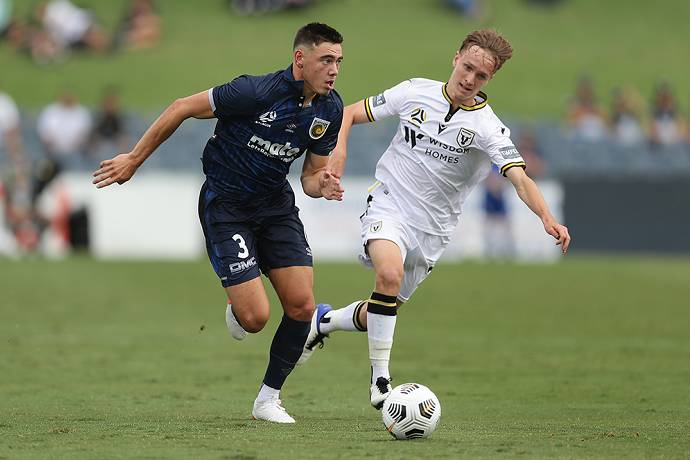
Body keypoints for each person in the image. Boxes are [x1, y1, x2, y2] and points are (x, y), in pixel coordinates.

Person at [297, 29, 571, 410]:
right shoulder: (415, 91)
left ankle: (323, 322)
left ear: (490, 80)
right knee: (388, 276)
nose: (470, 79)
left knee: (382, 306)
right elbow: (350, 113)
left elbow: (519, 177)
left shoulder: (488, 128)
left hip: (433, 231)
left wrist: (547, 217)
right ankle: (380, 380)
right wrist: (337, 152)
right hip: (389, 204)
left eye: (481, 76)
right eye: (468, 67)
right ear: (455, 58)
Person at [92, 23, 345, 423]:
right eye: (326, 60)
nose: (334, 69)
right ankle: (238, 303)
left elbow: (311, 176)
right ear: (301, 58)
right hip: (226, 205)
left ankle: (268, 400)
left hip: (276, 208)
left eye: (338, 62)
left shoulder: (330, 110)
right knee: (255, 318)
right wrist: (133, 160)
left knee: (301, 305)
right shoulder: (254, 92)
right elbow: (180, 107)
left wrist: (322, 185)